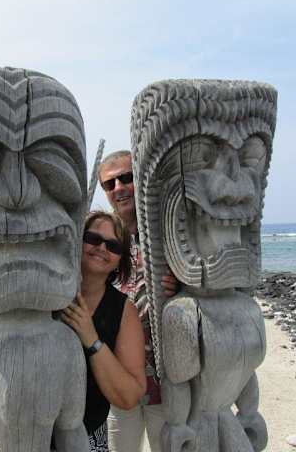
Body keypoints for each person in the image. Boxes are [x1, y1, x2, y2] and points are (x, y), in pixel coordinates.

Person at [0, 211, 146, 452]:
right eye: (93, 238)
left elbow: (129, 396)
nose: (101, 248)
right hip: (4, 432)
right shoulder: (37, 286)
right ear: (77, 240)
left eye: (113, 246)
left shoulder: (122, 310)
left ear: (120, 259)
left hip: (81, 435)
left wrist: (92, 340)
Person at [98, 150, 177, 452]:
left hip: (168, 383)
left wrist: (181, 286)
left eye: (126, 178)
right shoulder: (100, 241)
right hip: (117, 385)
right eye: (109, 184)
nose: (118, 188)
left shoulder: (167, 233)